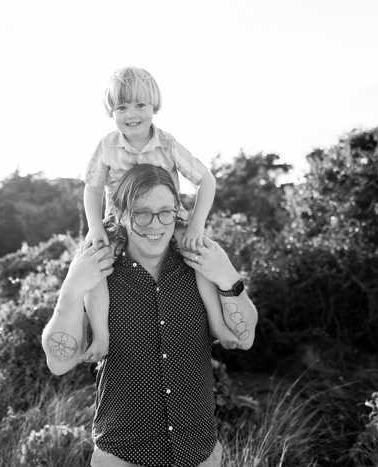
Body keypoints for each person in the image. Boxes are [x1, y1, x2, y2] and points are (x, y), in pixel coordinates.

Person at [42, 164, 258, 467]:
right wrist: (70, 291)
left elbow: (244, 339)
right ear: (120, 214)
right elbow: (58, 362)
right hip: (121, 456)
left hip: (200, 455)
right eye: (142, 213)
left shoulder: (199, 267)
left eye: (165, 212)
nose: (155, 224)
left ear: (177, 213)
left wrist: (227, 277)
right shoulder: (98, 274)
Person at [82, 66, 244, 362]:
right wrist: (95, 228)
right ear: (111, 111)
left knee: (198, 257)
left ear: (153, 106)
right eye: (122, 107)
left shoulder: (167, 143)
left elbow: (206, 180)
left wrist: (196, 225)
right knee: (96, 265)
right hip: (121, 222)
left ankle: (218, 324)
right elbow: (92, 189)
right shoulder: (107, 146)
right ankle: (101, 336)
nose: (132, 113)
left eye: (140, 105)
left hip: (167, 220)